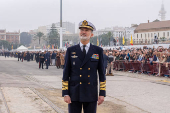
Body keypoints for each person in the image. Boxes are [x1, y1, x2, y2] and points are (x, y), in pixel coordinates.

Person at [62, 20, 106, 113]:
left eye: (87, 30)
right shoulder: (71, 50)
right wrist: (65, 93)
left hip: (91, 92)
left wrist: (102, 93)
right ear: (79, 33)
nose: (84, 32)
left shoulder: (98, 51)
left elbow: (102, 73)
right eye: (82, 30)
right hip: (74, 93)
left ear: (91, 34)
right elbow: (66, 72)